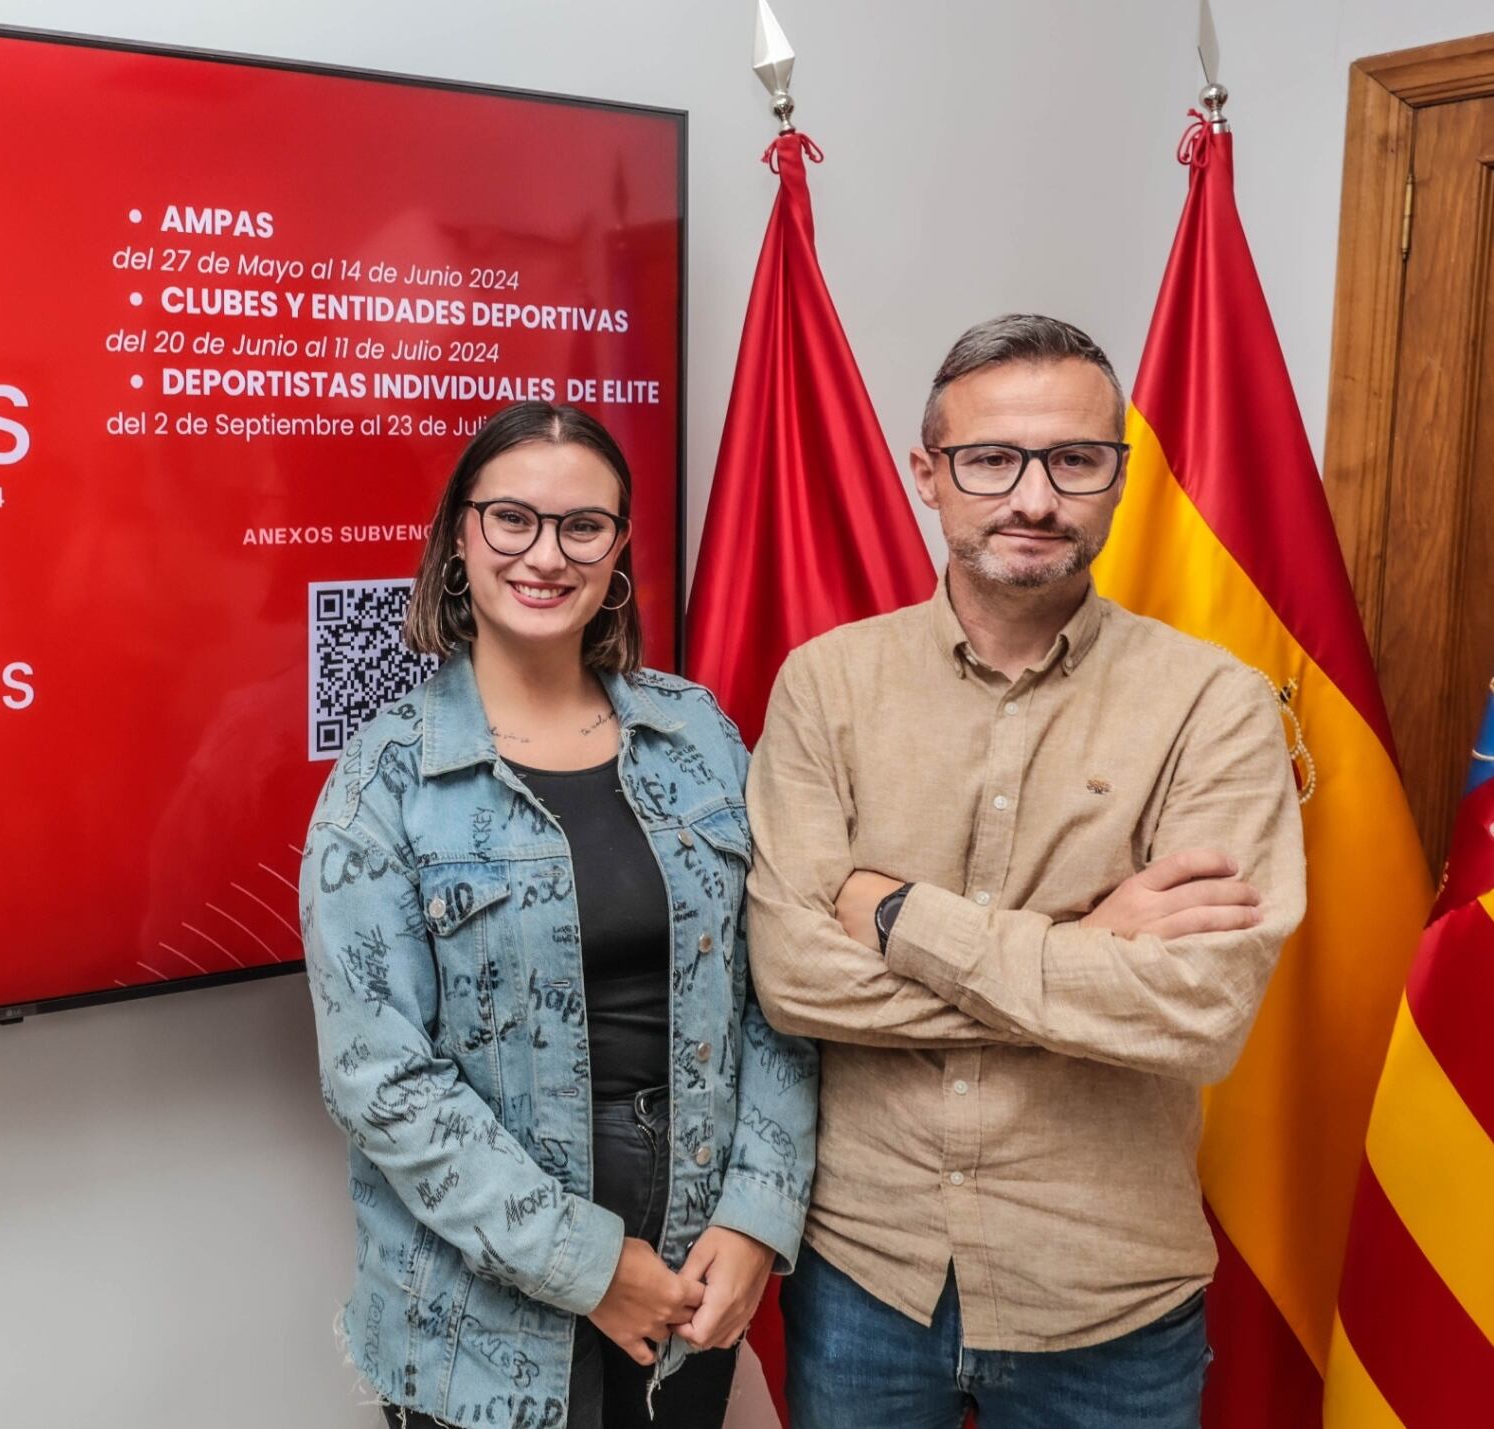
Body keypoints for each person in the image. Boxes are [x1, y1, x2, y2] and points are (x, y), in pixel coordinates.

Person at [745, 314, 1308, 1429]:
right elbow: (789, 978)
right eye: (990, 459)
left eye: (1073, 460)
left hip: (1104, 1293)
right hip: (866, 1278)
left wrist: (893, 911)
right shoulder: (824, 686)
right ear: (927, 474)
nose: (1032, 497)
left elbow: (1197, 1013)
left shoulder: (1216, 703)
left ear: (1117, 476)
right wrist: (1092, 951)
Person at [305, 401, 818, 1429]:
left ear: (618, 547)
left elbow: (783, 988)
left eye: (581, 525)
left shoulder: (697, 735)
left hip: (694, 1284)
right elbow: (379, 1078)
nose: (546, 554)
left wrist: (757, 1214)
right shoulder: (386, 780)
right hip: (480, 1322)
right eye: (512, 520)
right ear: (460, 535)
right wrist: (587, 1264)